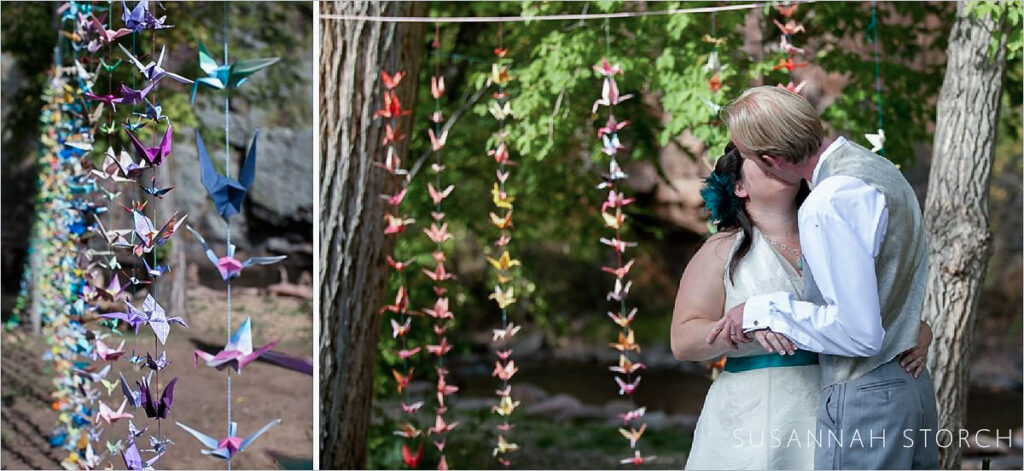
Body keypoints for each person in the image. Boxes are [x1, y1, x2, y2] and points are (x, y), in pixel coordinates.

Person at [705, 86, 939, 469]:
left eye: (746, 155)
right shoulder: (878, 169)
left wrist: (760, 311)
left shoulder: (827, 203)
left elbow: (859, 333)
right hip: (911, 387)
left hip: (867, 399)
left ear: (771, 160)